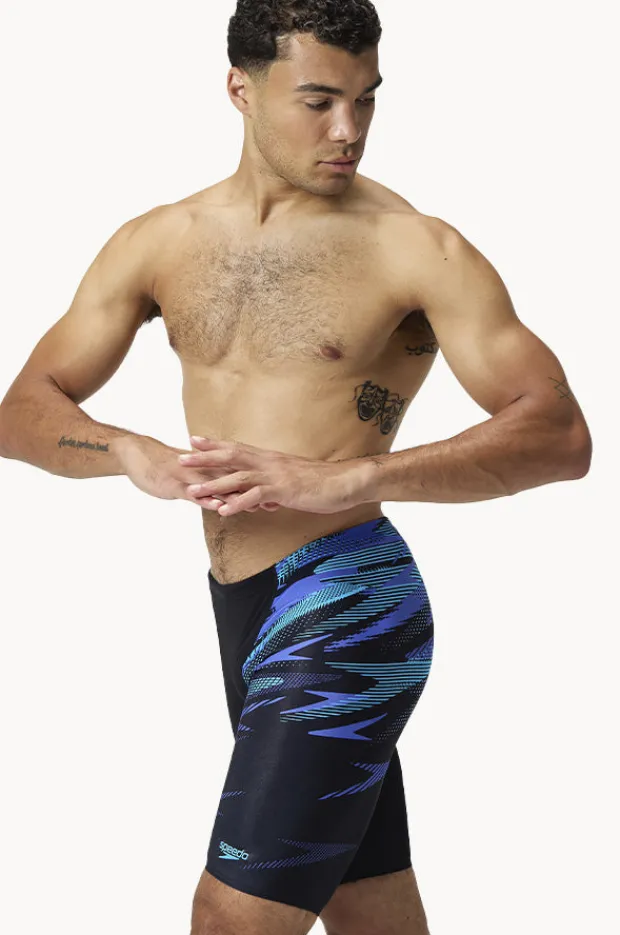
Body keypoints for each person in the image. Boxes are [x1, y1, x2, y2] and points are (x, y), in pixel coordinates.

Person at [0, 1, 592, 933]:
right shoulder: (161, 239)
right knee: (369, 907)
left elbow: (559, 433)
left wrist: (349, 479)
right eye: (319, 101)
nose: (348, 129)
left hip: (345, 607)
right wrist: (128, 453)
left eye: (367, 99)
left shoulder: (415, 247)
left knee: (231, 916)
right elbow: (23, 409)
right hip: (239, 608)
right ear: (240, 89)